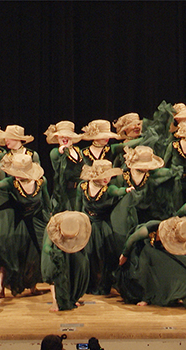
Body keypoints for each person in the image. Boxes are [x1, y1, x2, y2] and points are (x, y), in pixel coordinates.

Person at [0, 153, 50, 299]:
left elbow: (46, 201)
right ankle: (0, 288)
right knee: (10, 252)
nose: (15, 175)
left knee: (36, 252)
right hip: (19, 220)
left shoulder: (41, 182)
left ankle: (33, 286)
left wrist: (49, 219)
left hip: (37, 220)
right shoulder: (12, 182)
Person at [116, 216, 186, 309]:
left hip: (163, 250)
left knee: (185, 268)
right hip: (144, 248)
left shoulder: (179, 235)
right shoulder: (150, 228)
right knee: (152, 264)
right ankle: (147, 297)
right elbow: (132, 239)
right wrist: (124, 255)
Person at [75, 160, 134, 295]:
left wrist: (127, 190)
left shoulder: (109, 189)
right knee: (88, 255)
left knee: (104, 256)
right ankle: (88, 285)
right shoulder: (82, 187)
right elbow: (77, 207)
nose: (107, 179)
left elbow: (118, 191)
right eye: (104, 176)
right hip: (88, 224)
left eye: (109, 175)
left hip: (103, 226)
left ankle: (103, 285)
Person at [41, 211, 91, 311]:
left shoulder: (76, 228)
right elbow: (46, 247)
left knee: (78, 265)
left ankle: (72, 298)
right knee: (54, 269)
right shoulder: (54, 230)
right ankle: (56, 300)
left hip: (72, 252)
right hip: (56, 252)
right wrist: (54, 253)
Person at [44, 121, 84, 213]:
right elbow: (56, 164)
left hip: (78, 192)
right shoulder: (55, 152)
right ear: (57, 137)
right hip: (64, 194)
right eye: (61, 136)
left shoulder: (78, 151)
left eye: (67, 135)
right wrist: (61, 151)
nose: (64, 138)